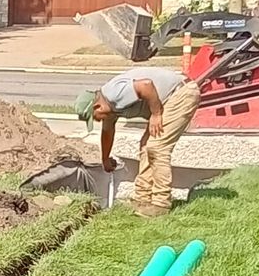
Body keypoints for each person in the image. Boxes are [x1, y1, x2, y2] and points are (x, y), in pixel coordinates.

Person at [76, 65, 200, 218]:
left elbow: (146, 85)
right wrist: (105, 159)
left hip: (181, 94)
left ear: (97, 106)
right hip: (168, 100)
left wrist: (155, 115)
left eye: (94, 117)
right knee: (146, 146)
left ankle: (160, 204)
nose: (97, 120)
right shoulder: (109, 109)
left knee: (157, 147)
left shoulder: (113, 94)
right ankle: (142, 199)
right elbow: (107, 132)